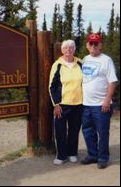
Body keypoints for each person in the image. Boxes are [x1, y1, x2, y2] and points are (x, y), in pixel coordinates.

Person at [81, 33, 118, 169]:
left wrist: (107, 100)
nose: (93, 46)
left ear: (101, 45)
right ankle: (92, 155)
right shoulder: (84, 59)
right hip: (86, 104)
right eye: (91, 43)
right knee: (87, 131)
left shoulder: (106, 60)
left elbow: (112, 81)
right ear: (87, 45)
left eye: (96, 43)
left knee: (102, 133)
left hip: (101, 105)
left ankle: (103, 158)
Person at [49, 40, 83, 165]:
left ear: (74, 49)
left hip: (79, 104)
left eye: (71, 47)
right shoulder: (57, 65)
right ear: (62, 50)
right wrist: (56, 104)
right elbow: (51, 86)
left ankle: (72, 153)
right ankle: (61, 155)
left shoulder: (80, 63)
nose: (68, 50)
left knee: (74, 130)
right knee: (60, 131)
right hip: (62, 105)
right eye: (66, 48)